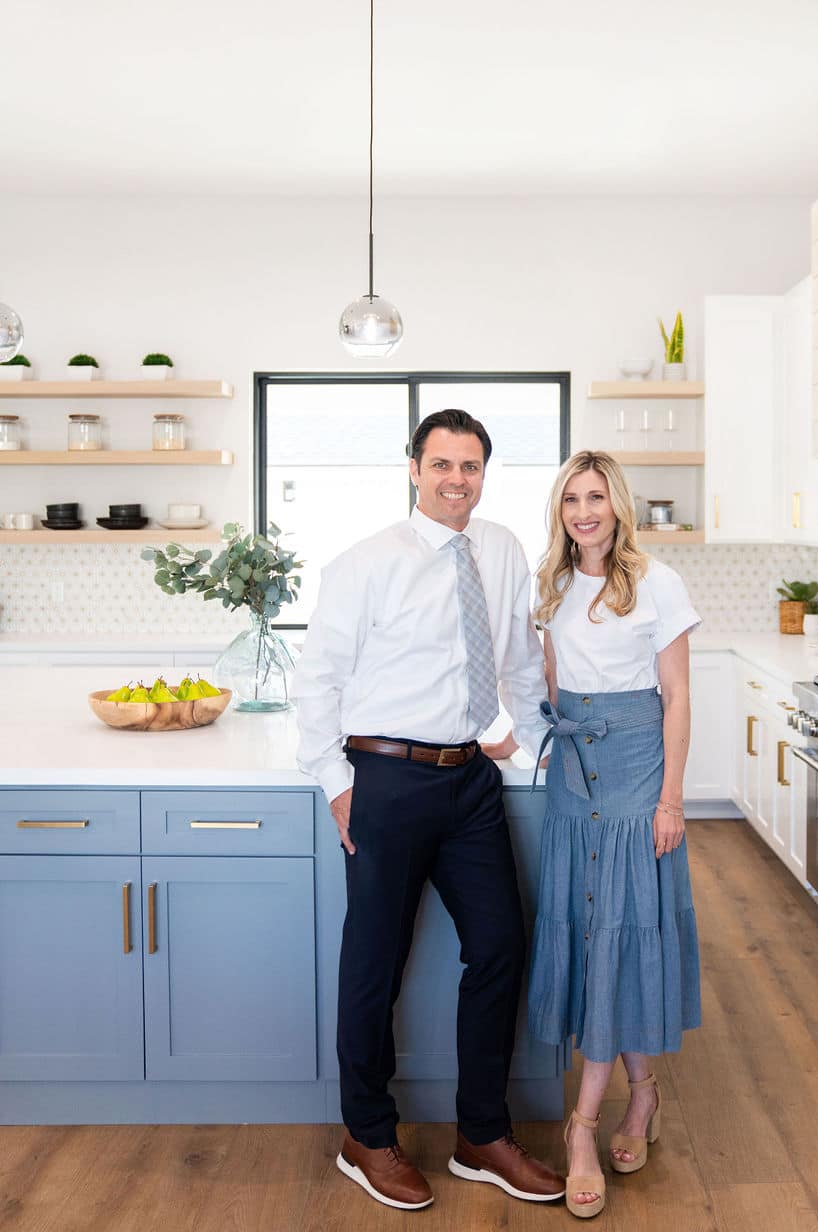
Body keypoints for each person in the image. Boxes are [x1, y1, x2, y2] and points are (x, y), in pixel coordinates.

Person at [294, 408, 564, 1212]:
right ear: (414, 468)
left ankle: (481, 1134)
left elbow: (518, 661)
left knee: (501, 947)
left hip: (469, 779)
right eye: (442, 464)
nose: (457, 480)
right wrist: (334, 783)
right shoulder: (367, 562)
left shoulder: (504, 549)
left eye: (470, 466)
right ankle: (366, 1136)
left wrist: (533, 741)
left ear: (484, 473)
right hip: (384, 779)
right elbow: (319, 679)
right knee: (375, 962)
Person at [486, 449, 702, 1218]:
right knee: (597, 935)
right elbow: (547, 687)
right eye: (572, 499)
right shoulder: (550, 587)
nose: (585, 512)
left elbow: (676, 697)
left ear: (619, 507)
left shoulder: (656, 584)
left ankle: (582, 1127)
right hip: (575, 777)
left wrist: (671, 800)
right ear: (561, 510)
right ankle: (642, 1095)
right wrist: (511, 733)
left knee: (621, 929)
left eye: (597, 498)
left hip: (640, 773)